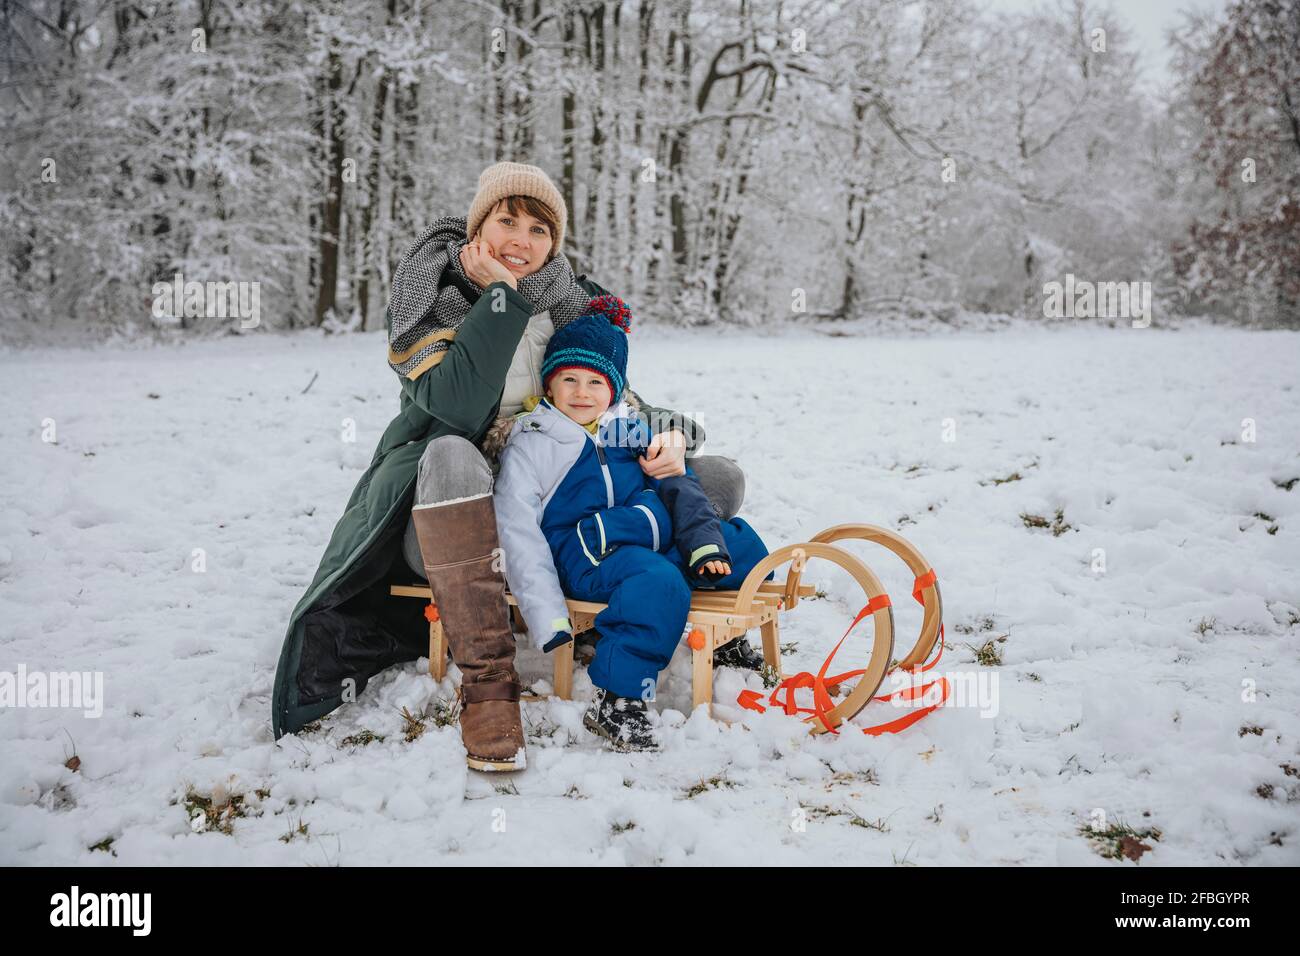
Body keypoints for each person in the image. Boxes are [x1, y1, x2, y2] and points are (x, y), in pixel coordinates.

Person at [271, 162, 748, 773]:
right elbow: (457, 405)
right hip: (455, 525)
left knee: (718, 480)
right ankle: (490, 683)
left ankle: (628, 600)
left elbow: (613, 395)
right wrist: (500, 297)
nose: (523, 242)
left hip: (556, 516)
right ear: (478, 226)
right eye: (508, 222)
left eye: (540, 230)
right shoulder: (432, 298)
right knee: (450, 451)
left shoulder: (565, 305)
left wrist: (673, 436)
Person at [492, 300, 771, 750]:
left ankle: (727, 638)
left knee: (742, 544)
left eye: (595, 382)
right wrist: (546, 615)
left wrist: (703, 543)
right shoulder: (533, 444)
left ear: (615, 389)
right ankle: (619, 700)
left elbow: (678, 485)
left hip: (644, 540)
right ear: (550, 383)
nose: (581, 393)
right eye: (569, 380)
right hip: (586, 556)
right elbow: (518, 533)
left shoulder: (629, 430)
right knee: (657, 582)